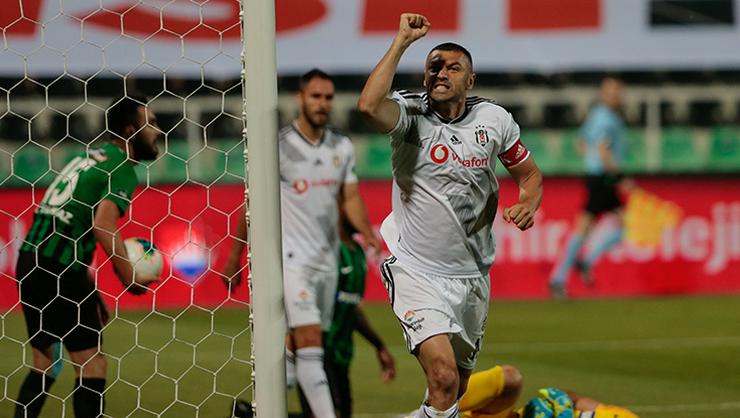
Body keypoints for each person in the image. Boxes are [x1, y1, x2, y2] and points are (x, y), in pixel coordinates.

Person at [357, 13, 544, 418]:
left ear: (470, 80)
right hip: (416, 270)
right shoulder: (410, 115)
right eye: (434, 66)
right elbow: (369, 106)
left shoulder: (494, 120)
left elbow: (529, 175)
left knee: (452, 392)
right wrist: (402, 41)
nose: (441, 72)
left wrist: (527, 203)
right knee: (442, 378)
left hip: (472, 276)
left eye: (452, 67)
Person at [222, 69, 381, 418]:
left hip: (327, 263)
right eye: (315, 96)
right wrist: (235, 256)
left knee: (299, 352)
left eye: (328, 97)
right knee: (311, 346)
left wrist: (366, 231)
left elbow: (350, 197)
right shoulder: (279, 147)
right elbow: (251, 204)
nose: (322, 104)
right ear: (300, 99)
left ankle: (250, 413)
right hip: (292, 261)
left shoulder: (341, 146)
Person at [13, 95, 162, 418]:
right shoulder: (122, 167)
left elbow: (70, 224)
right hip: (60, 269)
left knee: (46, 361)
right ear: (129, 130)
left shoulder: (89, 156)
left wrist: (89, 289)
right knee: (92, 363)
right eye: (150, 123)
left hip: (29, 262)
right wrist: (130, 279)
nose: (159, 131)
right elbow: (103, 225)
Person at [297, 213, 396, 418]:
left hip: (341, 354)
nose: (361, 215)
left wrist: (379, 346)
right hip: (318, 352)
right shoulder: (328, 253)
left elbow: (352, 308)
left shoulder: (358, 252)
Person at [548, 78, 628, 299]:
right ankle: (566, 273)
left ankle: (569, 271)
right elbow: (603, 149)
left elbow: (581, 142)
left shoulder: (596, 115)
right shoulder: (607, 118)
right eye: (612, 92)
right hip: (604, 177)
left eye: (617, 92)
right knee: (608, 227)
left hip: (596, 176)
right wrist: (619, 176)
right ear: (603, 95)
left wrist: (590, 159)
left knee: (598, 227)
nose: (616, 96)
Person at [452, 365, 639, 418]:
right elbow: (575, 398)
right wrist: (562, 402)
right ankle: (440, 408)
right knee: (510, 377)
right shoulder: (624, 416)